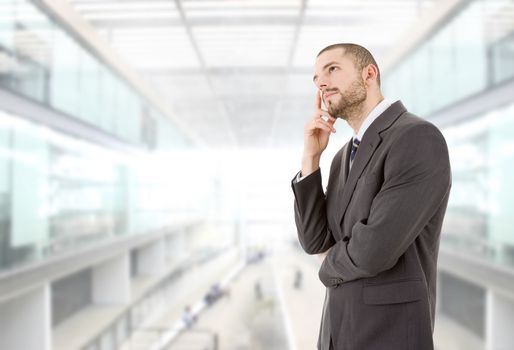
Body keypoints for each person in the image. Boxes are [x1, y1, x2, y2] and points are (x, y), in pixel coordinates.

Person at [291, 43, 451, 350]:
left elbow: (373, 251)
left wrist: (327, 262)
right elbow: (315, 241)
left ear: (369, 74)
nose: (321, 83)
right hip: (337, 336)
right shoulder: (341, 157)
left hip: (389, 336)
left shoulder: (416, 138)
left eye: (332, 69)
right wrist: (310, 160)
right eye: (315, 78)